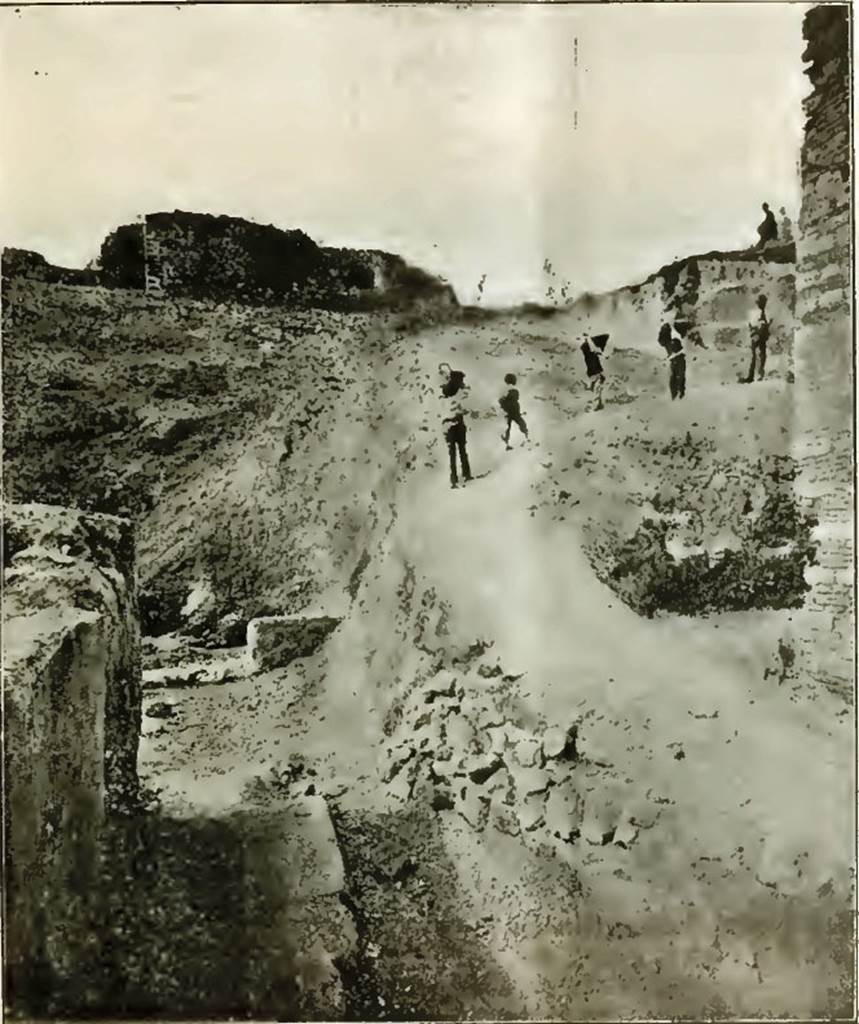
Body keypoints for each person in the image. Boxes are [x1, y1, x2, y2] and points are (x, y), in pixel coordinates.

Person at [743, 295, 770, 383]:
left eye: (763, 302)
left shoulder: (763, 312)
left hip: (760, 336)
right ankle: (753, 376)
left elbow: (764, 325)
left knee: (760, 356)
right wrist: (754, 332)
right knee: (756, 356)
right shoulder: (758, 312)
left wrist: (756, 333)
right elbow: (751, 324)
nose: (762, 304)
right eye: (762, 302)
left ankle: (757, 375)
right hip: (757, 335)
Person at [443, 408, 472, 489]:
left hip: (456, 427)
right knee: (456, 454)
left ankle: (462, 476)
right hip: (451, 427)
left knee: (459, 453)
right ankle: (457, 477)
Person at [499, 373, 529, 450]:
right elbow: (502, 401)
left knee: (510, 428)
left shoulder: (510, 391)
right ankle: (525, 436)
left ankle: (525, 436)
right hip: (511, 413)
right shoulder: (509, 391)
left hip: (512, 413)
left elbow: (502, 401)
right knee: (509, 428)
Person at [580, 334, 608, 411]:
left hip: (595, 371)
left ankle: (599, 403)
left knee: (598, 387)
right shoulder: (590, 356)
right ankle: (599, 403)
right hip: (595, 372)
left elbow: (594, 363)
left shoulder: (589, 356)